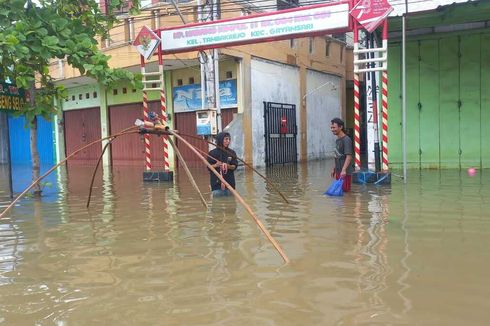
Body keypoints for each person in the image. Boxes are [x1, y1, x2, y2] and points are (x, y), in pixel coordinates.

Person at [207, 132, 238, 197]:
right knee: (217, 205)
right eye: (226, 139)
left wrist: (227, 166)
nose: (228, 141)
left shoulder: (232, 152)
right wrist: (216, 165)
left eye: (229, 139)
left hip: (230, 185)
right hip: (216, 185)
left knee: (231, 205)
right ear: (221, 140)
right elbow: (209, 167)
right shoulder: (212, 153)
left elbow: (234, 166)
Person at [330, 118, 353, 192]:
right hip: (338, 171)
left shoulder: (346, 140)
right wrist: (334, 168)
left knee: (345, 192)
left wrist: (343, 170)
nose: (332, 129)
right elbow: (337, 156)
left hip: (345, 172)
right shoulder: (337, 140)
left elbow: (349, 157)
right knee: (339, 192)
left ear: (340, 127)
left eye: (334, 127)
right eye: (331, 127)